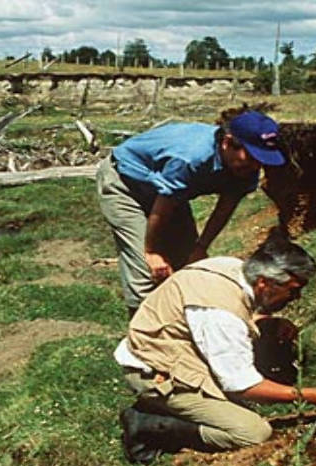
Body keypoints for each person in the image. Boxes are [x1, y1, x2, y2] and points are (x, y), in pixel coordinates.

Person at [114, 230, 316, 464]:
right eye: (293, 290)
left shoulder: (231, 268)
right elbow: (243, 386)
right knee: (253, 432)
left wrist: (265, 322)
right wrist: (311, 395)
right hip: (155, 373)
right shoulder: (221, 315)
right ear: (264, 283)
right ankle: (148, 426)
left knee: (256, 356)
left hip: (167, 350)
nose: (297, 297)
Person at [96, 108, 288, 317]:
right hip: (125, 184)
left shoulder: (247, 167)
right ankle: (143, 336)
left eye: (261, 159)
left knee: (190, 265)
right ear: (227, 143)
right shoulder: (191, 156)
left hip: (169, 193)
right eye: (251, 157)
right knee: (146, 268)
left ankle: (183, 326)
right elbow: (163, 205)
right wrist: (151, 251)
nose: (255, 165)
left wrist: (201, 247)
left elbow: (225, 207)